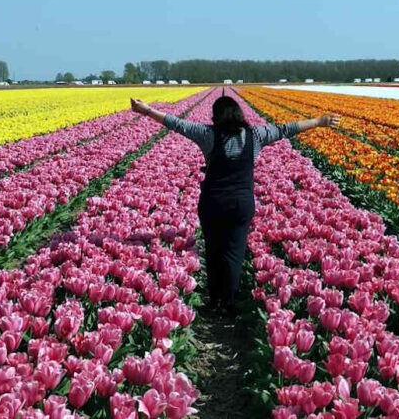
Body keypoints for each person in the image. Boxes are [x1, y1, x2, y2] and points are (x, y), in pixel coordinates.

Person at [130, 94, 340, 316]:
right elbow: (286, 129)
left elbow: (178, 124)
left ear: (216, 117)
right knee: (234, 252)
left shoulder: (208, 134)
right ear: (239, 115)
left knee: (213, 250)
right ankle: (229, 302)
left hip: (214, 202)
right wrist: (318, 121)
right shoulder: (256, 136)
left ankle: (215, 301)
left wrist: (147, 110)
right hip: (241, 203)